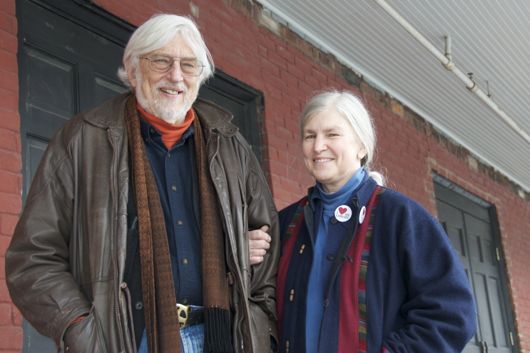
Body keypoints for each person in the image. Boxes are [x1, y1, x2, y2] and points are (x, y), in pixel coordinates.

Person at [6, 14, 279, 353]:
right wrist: (79, 329)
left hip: (222, 337)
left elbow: (268, 248)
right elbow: (32, 257)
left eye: (189, 65)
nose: (176, 76)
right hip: (126, 340)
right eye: (161, 61)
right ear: (133, 70)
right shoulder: (82, 140)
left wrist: (260, 324)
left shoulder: (230, 144)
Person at [252, 90, 476, 353]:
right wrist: (243, 255)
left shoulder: (400, 217)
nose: (318, 146)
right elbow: (259, 303)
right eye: (310, 136)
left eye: (332, 134)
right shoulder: (286, 222)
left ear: (362, 146)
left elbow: (451, 313)